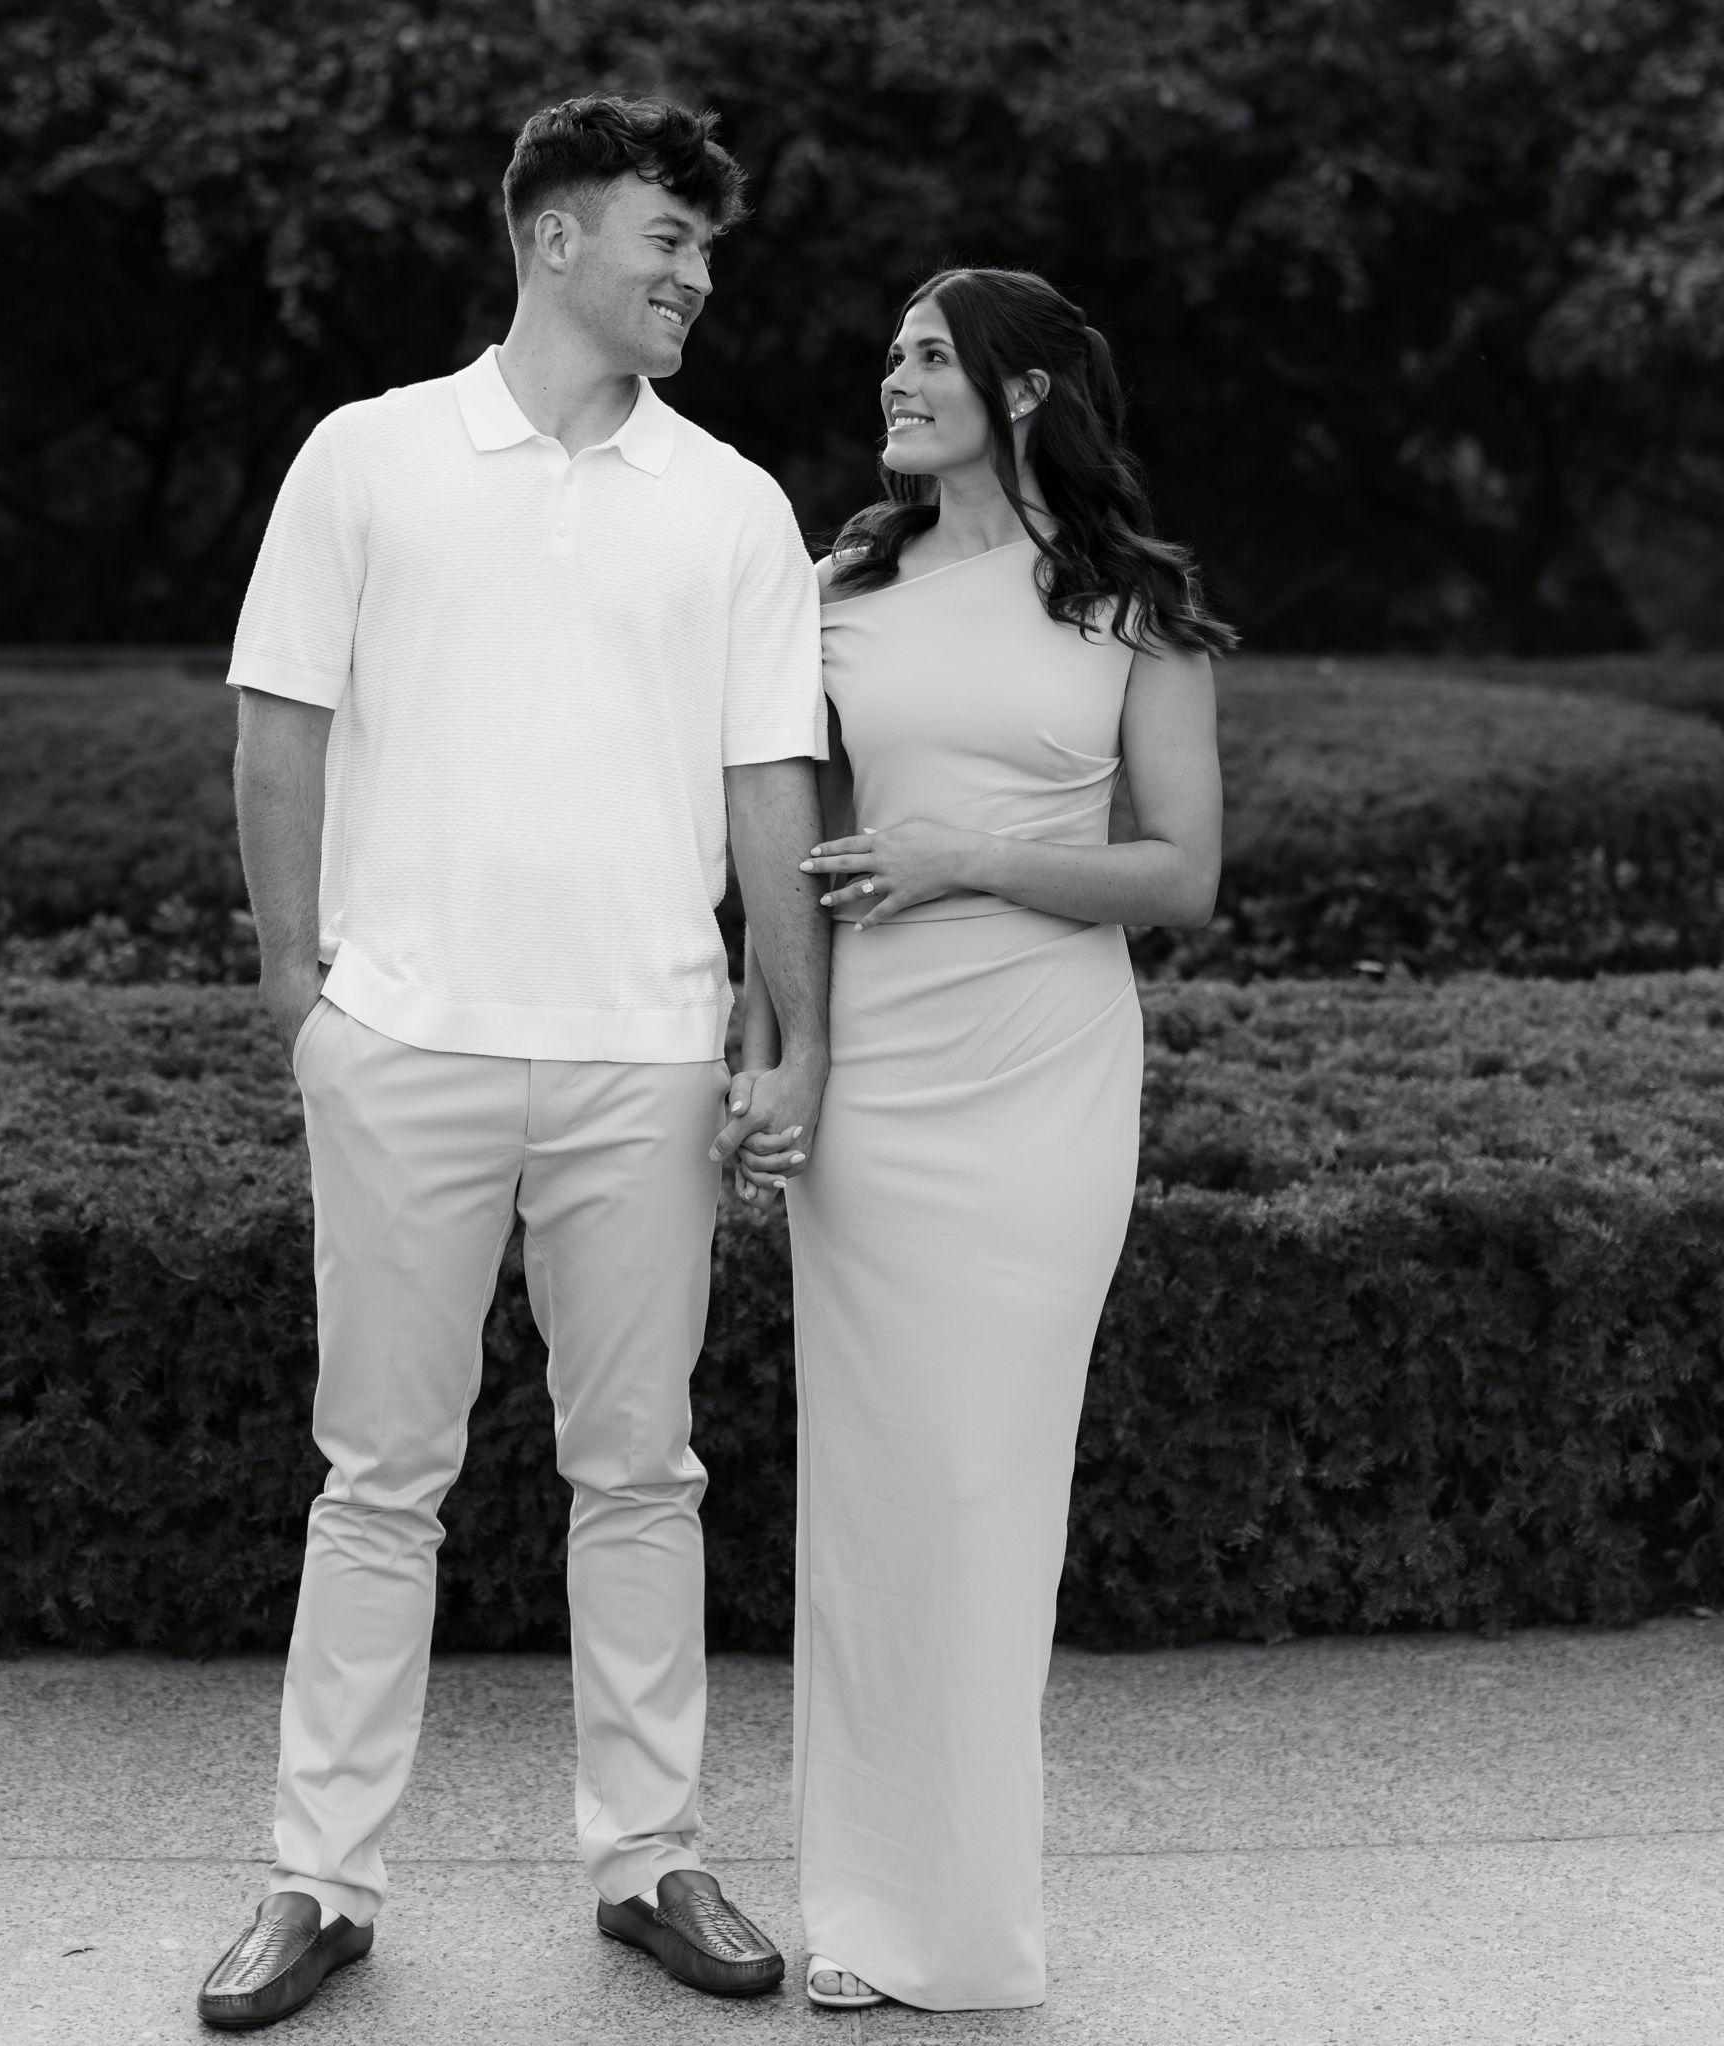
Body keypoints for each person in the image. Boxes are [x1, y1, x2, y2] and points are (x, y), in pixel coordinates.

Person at [195, 96, 832, 2030]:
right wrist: (303, 998)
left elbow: (771, 782)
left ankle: (651, 1857)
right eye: (667, 240)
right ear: (555, 237)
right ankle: (318, 1882)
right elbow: (279, 722)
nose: (696, 278)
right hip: (404, 1043)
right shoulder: (368, 454)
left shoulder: (734, 503)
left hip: (645, 1054)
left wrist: (789, 1027)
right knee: (377, 1478)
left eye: (707, 250)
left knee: (640, 1472)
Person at [721, 267, 1231, 2011]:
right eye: (893, 353)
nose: (897, 375)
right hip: (879, 1080)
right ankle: (864, 1909)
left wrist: (966, 858)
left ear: (1021, 391)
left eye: (933, 354)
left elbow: (1180, 872)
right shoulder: (833, 594)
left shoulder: (1133, 605)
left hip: (1043, 1074)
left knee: (988, 1482)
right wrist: (769, 1051)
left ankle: (968, 1917)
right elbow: (782, 853)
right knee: (876, 1490)